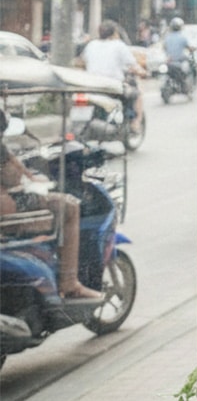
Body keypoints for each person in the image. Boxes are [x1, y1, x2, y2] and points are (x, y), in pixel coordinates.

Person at [0, 110, 103, 301]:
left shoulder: (3, 149)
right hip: (9, 210)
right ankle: (70, 283)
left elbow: (18, 168)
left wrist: (31, 178)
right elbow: (13, 176)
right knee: (69, 207)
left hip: (10, 203)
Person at [81, 20, 145, 134]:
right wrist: (142, 72)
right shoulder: (119, 45)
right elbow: (133, 65)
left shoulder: (91, 45)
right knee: (136, 94)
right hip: (112, 87)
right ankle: (135, 123)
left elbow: (83, 62)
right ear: (115, 33)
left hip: (92, 86)